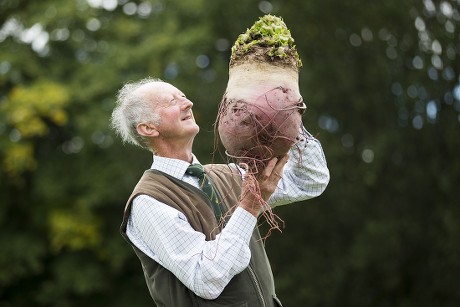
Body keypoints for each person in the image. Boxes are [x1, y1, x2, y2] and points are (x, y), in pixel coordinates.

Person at [111, 77, 330, 307]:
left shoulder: (229, 174)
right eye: (171, 101)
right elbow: (206, 279)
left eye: (183, 96)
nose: (188, 104)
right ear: (148, 128)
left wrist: (286, 116)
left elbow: (310, 180)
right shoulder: (148, 201)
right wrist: (250, 206)